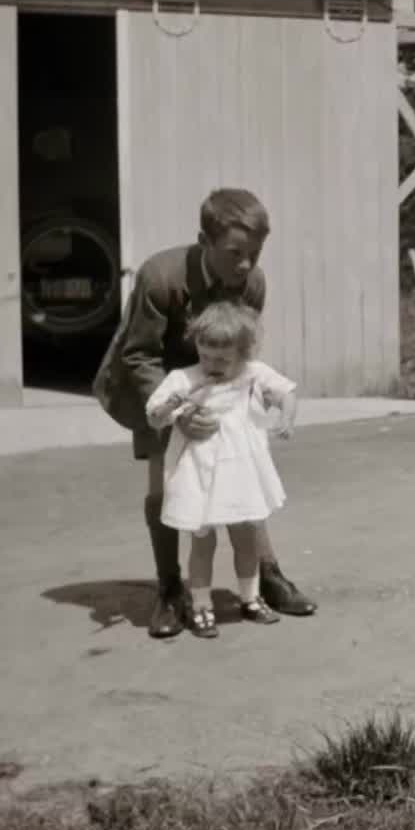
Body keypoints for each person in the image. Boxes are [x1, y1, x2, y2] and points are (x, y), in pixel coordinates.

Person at [92, 188, 318, 640]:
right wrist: (176, 413)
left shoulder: (252, 283)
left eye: (254, 254)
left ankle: (266, 575)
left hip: (216, 383)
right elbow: (139, 356)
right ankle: (171, 589)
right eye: (234, 253)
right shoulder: (161, 276)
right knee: (168, 482)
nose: (245, 265)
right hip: (155, 381)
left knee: (245, 473)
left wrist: (256, 399)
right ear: (204, 240)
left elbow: (241, 344)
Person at [145, 301, 297, 639]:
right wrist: (174, 405)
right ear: (196, 344)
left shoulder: (252, 374)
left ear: (242, 353)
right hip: (200, 472)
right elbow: (154, 414)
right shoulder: (183, 378)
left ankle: (250, 597)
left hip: (241, 472)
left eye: (223, 359)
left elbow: (286, 392)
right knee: (203, 543)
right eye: (206, 354)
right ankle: (201, 605)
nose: (212, 364)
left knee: (246, 538)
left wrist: (286, 416)